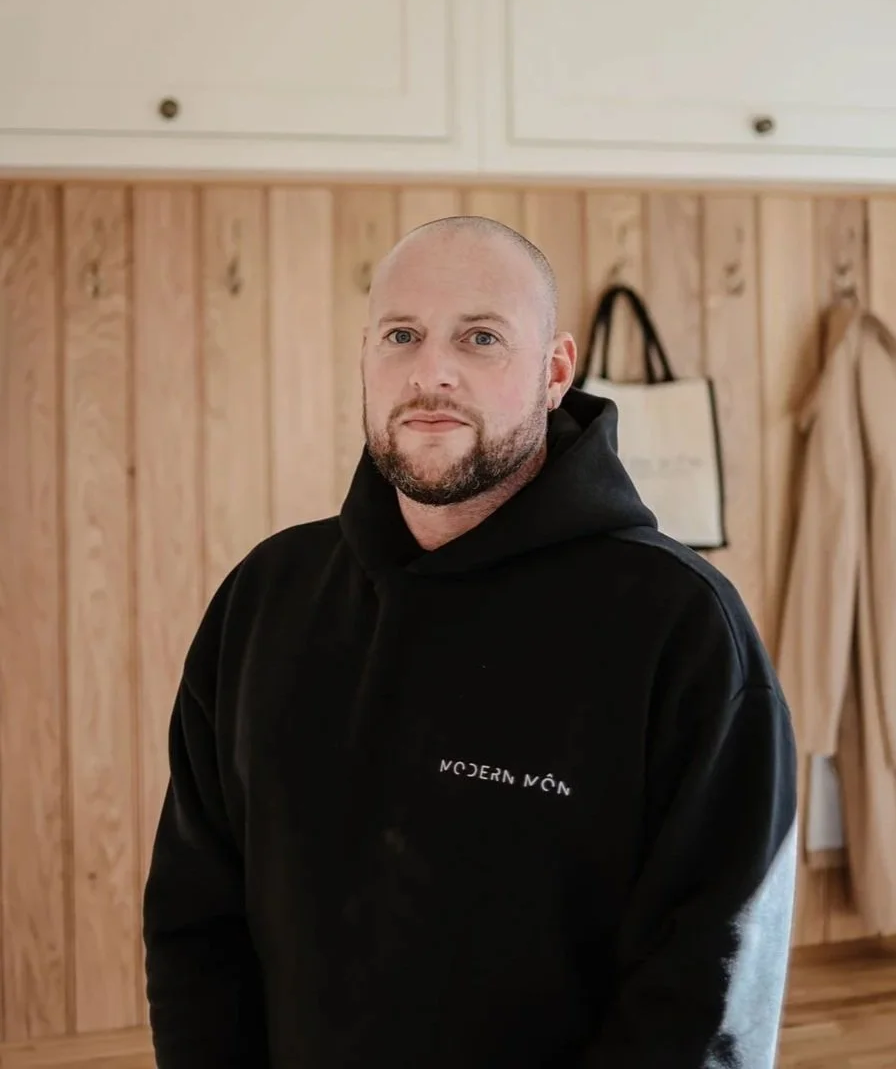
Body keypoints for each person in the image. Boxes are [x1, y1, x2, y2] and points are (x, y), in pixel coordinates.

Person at [143, 214, 798, 1068]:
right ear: (366, 360)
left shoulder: (680, 626)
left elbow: (708, 989)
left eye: (481, 337)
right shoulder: (267, 596)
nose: (432, 372)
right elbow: (195, 921)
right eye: (401, 335)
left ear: (555, 371)